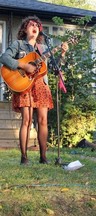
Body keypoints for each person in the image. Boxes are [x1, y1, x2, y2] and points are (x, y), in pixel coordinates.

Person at [0, 16, 69, 165]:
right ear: (25, 29)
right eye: (31, 24)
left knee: (43, 120)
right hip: (25, 85)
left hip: (41, 86)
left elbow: (54, 68)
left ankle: (43, 157)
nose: (35, 27)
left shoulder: (43, 48)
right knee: (26, 120)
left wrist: (62, 54)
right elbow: (4, 58)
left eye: (37, 25)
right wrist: (24, 66)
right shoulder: (19, 44)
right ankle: (24, 157)